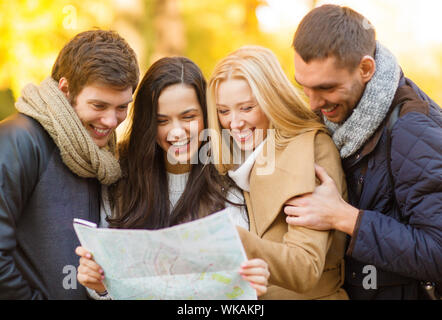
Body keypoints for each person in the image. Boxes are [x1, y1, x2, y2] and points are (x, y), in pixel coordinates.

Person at [75, 56, 269, 299]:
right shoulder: (121, 182)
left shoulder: (231, 182)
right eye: (162, 121)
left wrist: (254, 285)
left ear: (207, 115)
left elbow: (239, 287)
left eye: (188, 117)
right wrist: (99, 287)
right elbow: (106, 286)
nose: (176, 132)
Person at [285, 4, 442, 299]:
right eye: (304, 87)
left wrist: (344, 217)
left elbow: (438, 251)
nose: (313, 104)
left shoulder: (414, 129)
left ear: (366, 69)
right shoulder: (337, 118)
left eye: (326, 88)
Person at [0, 30, 139, 299]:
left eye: (122, 107)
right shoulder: (18, 141)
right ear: (65, 89)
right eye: (99, 105)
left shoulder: (99, 157)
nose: (111, 121)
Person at [206, 45, 348, 299]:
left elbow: (305, 268)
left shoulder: (310, 148)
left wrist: (230, 239)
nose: (234, 123)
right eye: (224, 111)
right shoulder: (235, 159)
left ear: (271, 99)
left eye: (247, 108)